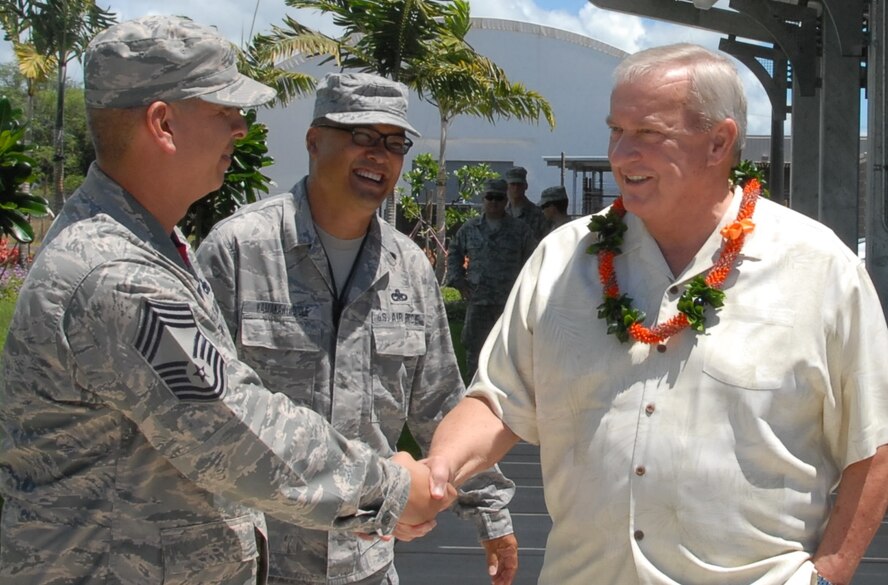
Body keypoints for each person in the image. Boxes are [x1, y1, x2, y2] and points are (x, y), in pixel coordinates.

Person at [0, 17, 454, 585]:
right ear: (162, 123)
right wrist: (388, 490)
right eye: (223, 110)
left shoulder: (149, 246)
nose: (241, 128)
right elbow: (235, 429)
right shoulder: (117, 277)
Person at [425, 43, 888, 585]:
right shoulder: (562, 259)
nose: (621, 155)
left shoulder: (819, 267)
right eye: (616, 131)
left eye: (648, 134)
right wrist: (440, 469)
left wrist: (829, 575)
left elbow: (873, 442)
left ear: (719, 142)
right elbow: (499, 403)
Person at [196, 72, 518, 585]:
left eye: (394, 143)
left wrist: (489, 513)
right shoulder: (239, 250)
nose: (379, 155)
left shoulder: (408, 266)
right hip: (255, 559)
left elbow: (438, 401)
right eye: (361, 137)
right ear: (313, 140)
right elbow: (203, 412)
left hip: (364, 561)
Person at [445, 178, 536, 379]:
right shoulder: (470, 229)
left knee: (511, 351)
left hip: (509, 302)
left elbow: (533, 260)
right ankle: (473, 392)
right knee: (475, 352)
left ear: (506, 201)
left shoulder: (519, 230)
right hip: (479, 300)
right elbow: (454, 252)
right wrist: (458, 281)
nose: (494, 201)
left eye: (499, 197)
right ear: (483, 199)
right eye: (489, 197)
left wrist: (526, 289)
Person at [504, 166, 548, 241]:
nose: (516, 188)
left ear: (526, 186)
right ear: (507, 186)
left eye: (519, 184)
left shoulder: (538, 214)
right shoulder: (501, 212)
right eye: (513, 184)